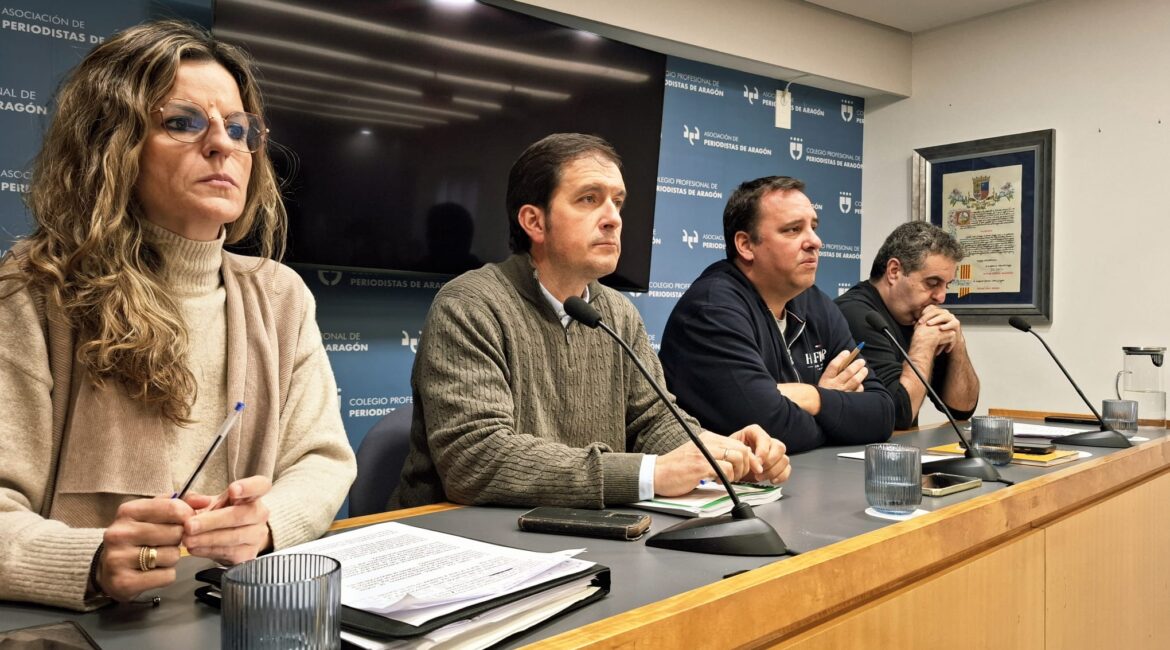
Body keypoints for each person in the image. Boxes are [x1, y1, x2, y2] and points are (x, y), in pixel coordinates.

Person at [0, 20, 356, 611]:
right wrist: (90, 559)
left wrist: (266, 523)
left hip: (240, 614)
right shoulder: (33, 292)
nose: (222, 145)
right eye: (182, 122)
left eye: (238, 128)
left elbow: (320, 460)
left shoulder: (280, 294)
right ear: (111, 146)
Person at [392, 133, 790, 509]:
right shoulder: (471, 304)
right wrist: (650, 473)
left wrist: (718, 451)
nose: (613, 218)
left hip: (578, 530)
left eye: (618, 202)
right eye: (588, 199)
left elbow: (652, 421)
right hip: (459, 542)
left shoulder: (617, 312)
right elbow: (476, 460)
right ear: (534, 221)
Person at [659, 176, 894, 454]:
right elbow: (772, 429)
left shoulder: (815, 302)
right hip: (722, 489)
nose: (815, 241)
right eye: (793, 230)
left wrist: (813, 396)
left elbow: (883, 412)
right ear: (746, 245)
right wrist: (836, 409)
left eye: (814, 227)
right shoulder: (711, 309)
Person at [835, 221, 979, 429]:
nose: (941, 297)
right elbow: (898, 415)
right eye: (932, 283)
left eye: (946, 285)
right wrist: (923, 346)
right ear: (894, 271)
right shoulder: (855, 315)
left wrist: (958, 344)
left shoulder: (918, 316)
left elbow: (961, 409)